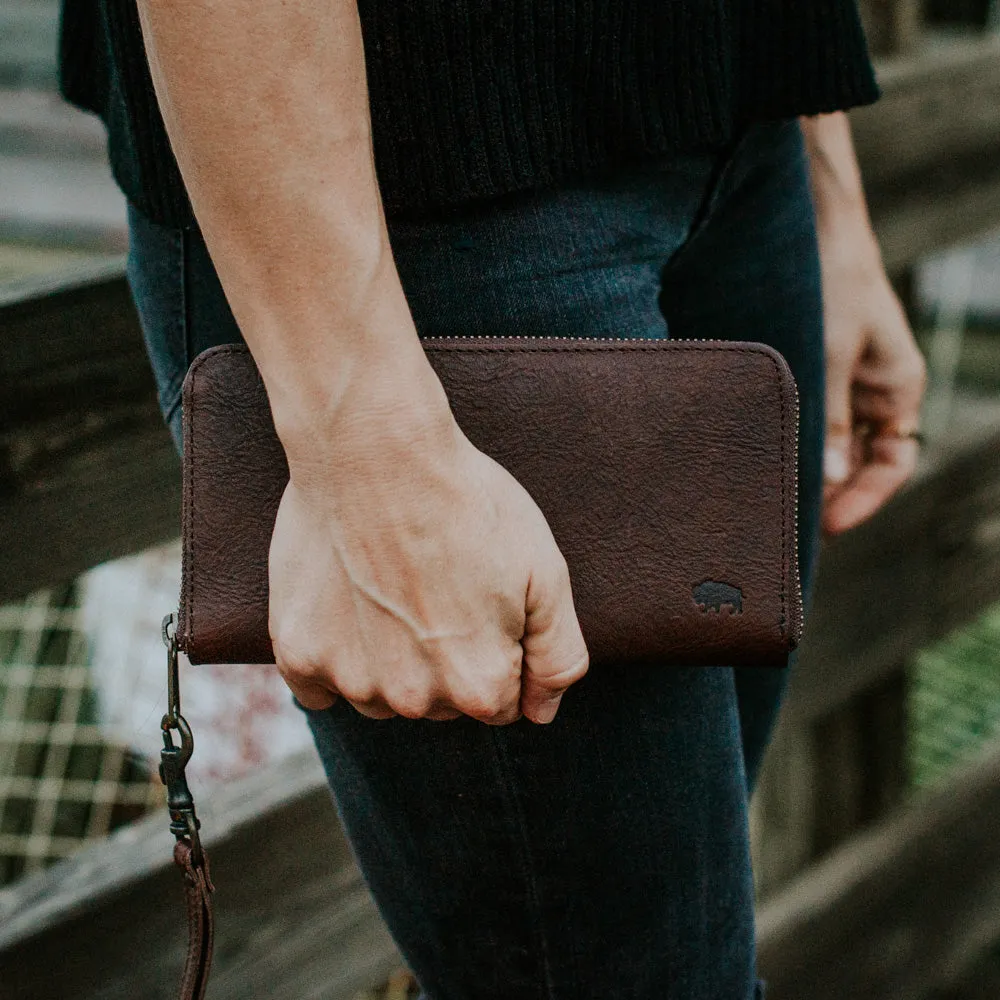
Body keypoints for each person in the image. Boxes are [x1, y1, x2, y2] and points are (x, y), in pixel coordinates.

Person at [60, 2, 926, 996]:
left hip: (741, 116)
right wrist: (364, 449)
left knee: (669, 942)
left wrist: (830, 190)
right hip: (416, 192)